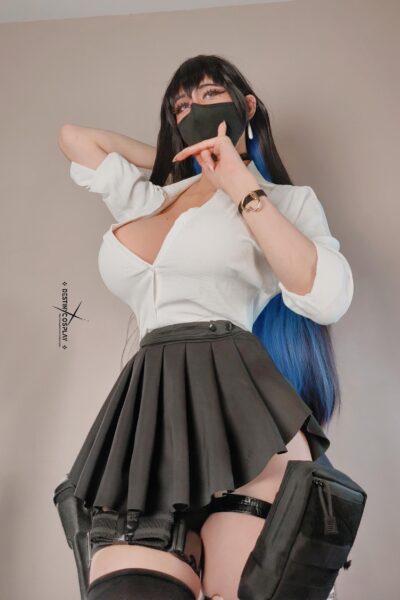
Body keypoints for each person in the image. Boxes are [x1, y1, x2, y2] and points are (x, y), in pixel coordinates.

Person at [55, 53, 352, 600]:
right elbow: (75, 138)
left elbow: (327, 296)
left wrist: (238, 179)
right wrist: (177, 155)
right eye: (181, 106)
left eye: (211, 94)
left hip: (243, 421)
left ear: (247, 107)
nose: (193, 109)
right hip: (148, 414)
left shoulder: (284, 201)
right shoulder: (150, 199)